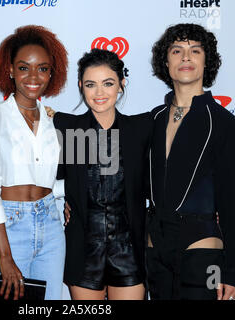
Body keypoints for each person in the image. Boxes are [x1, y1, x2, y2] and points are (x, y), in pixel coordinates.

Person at [146, 23, 235, 300]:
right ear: (166, 62)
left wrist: (233, 271)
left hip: (203, 246)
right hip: (155, 247)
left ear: (207, 61)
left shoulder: (227, 126)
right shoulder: (152, 121)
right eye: (177, 50)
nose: (186, 57)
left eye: (195, 50)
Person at [0, 25, 68, 300]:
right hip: (10, 226)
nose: (33, 76)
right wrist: (4, 255)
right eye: (24, 67)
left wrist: (64, 198)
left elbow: (55, 177)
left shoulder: (56, 121)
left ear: (52, 73)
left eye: (42, 68)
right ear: (10, 70)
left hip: (51, 224)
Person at [54, 49, 152, 300]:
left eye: (108, 83)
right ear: (80, 86)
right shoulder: (68, 129)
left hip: (129, 249)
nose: (99, 93)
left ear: (121, 84)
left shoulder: (141, 128)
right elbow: (51, 179)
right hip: (84, 250)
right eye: (91, 84)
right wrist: (65, 204)